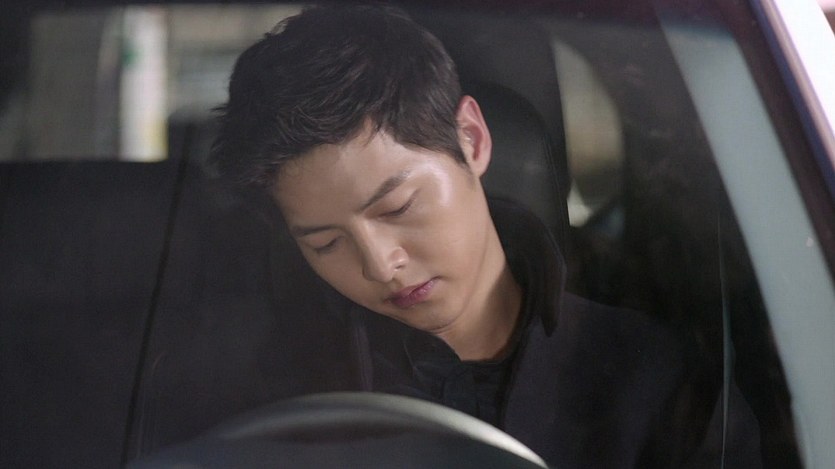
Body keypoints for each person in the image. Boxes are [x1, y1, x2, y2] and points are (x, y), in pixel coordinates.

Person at [210, 4, 761, 468]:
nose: (379, 265)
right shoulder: (274, 399)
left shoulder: (656, 382)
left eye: (398, 207)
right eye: (325, 243)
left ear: (471, 140)